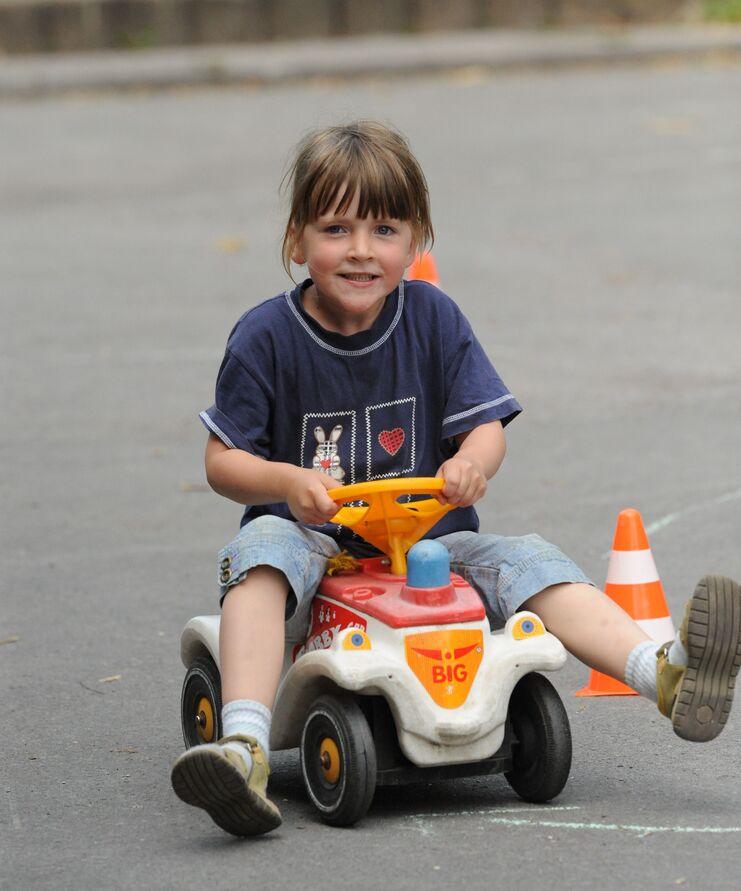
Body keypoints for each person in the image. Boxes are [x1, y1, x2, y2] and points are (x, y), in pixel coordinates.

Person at [171, 120, 741, 837]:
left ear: (414, 242)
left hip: (429, 541)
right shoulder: (265, 337)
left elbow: (485, 425)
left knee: (524, 560)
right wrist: (284, 481)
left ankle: (663, 670)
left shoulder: (433, 319)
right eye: (335, 228)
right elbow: (221, 461)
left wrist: (471, 462)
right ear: (296, 242)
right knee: (258, 565)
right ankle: (245, 742)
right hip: (312, 540)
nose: (358, 250)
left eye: (383, 229)